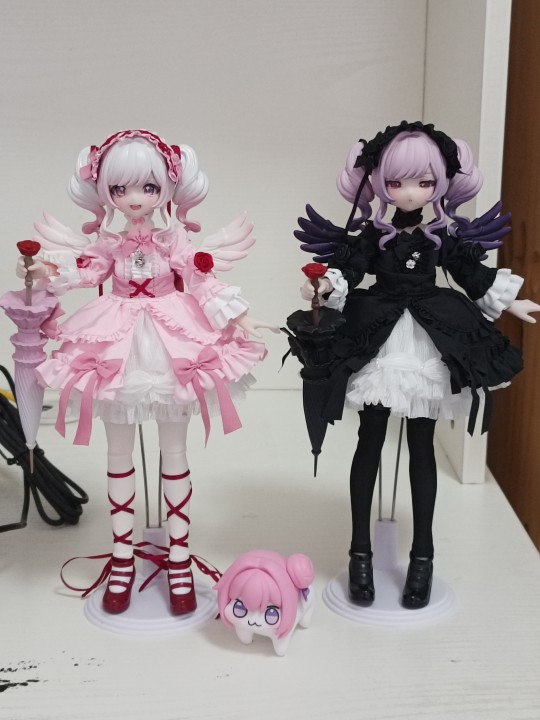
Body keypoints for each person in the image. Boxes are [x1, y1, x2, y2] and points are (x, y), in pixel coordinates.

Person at [18, 129, 277, 615]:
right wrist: (46, 272)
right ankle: (122, 558)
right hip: (115, 337)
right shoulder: (109, 243)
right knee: (118, 452)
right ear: (105, 193)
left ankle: (178, 559)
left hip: (171, 339)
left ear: (169, 188)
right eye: (120, 189)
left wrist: (241, 317)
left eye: (148, 187)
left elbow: (202, 281)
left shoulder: (174, 240)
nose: (134, 199)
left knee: (174, 452)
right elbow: (84, 271)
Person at [293, 121, 539, 609]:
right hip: (378, 330)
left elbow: (470, 272)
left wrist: (509, 301)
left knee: (422, 444)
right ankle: (360, 552)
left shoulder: (442, 234)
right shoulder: (372, 235)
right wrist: (324, 285)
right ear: (379, 183)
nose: (409, 192)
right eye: (396, 181)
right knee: (369, 438)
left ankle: (422, 555)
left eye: (424, 182)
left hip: (428, 334)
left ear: (440, 184)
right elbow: (348, 270)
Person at [215, 550, 314, 656]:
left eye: (271, 613)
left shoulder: (297, 601)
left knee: (304, 625)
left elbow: (281, 649)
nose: (253, 621)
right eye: (239, 608)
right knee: (244, 635)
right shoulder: (241, 624)